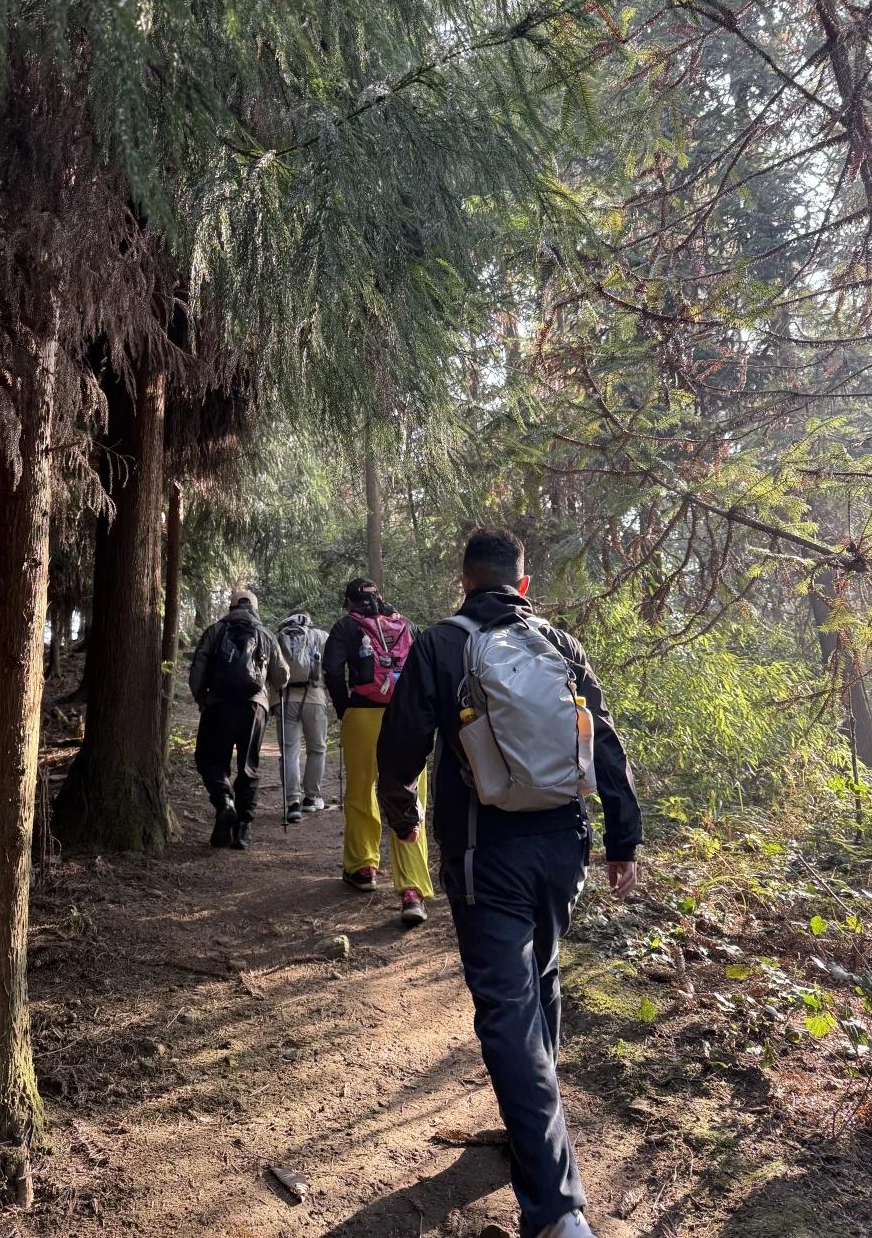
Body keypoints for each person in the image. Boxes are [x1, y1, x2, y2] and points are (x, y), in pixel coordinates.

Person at [377, 528, 642, 1238]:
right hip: (562, 850)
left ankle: (557, 1211)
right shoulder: (559, 643)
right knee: (541, 981)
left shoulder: (441, 645)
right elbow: (602, 739)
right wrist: (624, 838)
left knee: (508, 1012)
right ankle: (535, 1143)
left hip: (482, 853)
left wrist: (402, 813)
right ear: (523, 586)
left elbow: (400, 747)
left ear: (464, 581)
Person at [323, 576, 433, 926]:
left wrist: (345, 709)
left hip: (363, 715)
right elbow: (424, 671)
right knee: (411, 798)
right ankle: (412, 891)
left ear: (348, 602)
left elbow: (331, 670)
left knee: (361, 790)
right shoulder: (407, 625)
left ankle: (363, 868)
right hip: (406, 719)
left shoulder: (345, 626)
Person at [188, 590, 288, 851]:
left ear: (231, 607)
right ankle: (243, 829)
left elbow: (197, 669)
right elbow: (281, 676)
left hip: (218, 704)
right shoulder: (265, 634)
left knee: (209, 759)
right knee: (248, 766)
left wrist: (201, 698)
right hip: (254, 706)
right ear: (255, 608)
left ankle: (224, 801)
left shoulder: (215, 631)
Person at [274, 610, 329, 822]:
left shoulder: (278, 636)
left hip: (286, 698)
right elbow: (333, 665)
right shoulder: (320, 635)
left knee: (290, 751)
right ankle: (311, 798)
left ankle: (293, 803)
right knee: (317, 749)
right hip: (315, 697)